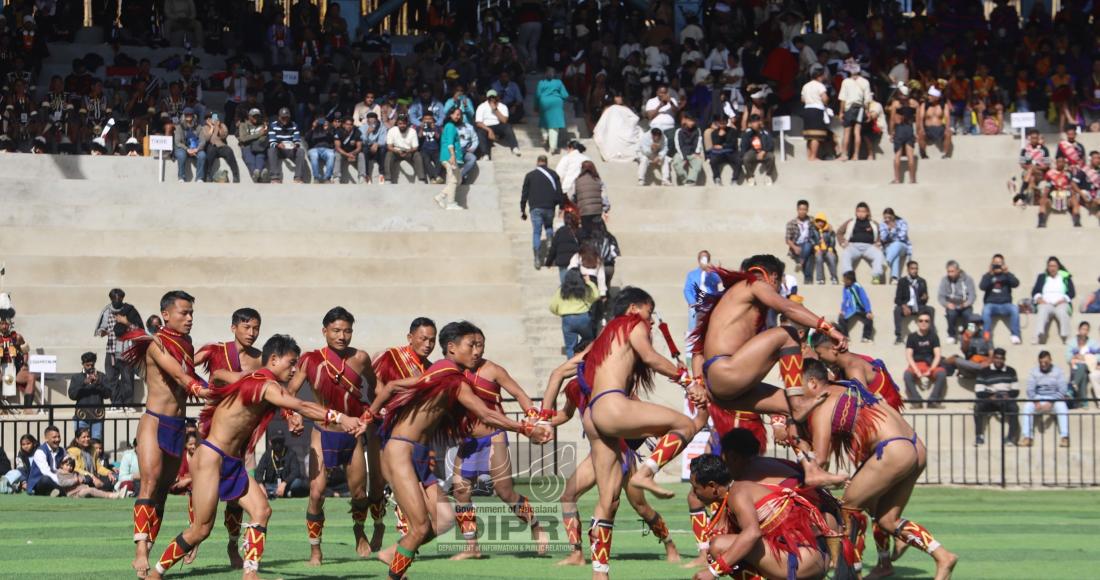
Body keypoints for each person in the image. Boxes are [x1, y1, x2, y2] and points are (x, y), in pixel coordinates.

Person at [147, 335, 366, 579]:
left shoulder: (255, 379)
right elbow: (301, 406)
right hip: (211, 457)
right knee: (201, 530)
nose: (295, 369)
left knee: (262, 511)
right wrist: (341, 418)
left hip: (229, 461)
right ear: (273, 359)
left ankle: (250, 573)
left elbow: (218, 373)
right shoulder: (266, 384)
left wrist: (217, 385)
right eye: (291, 362)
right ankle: (156, 572)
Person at [371, 321, 551, 579]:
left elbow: (392, 387)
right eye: (471, 345)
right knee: (427, 521)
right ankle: (401, 573)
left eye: (479, 345)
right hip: (404, 451)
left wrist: (368, 415)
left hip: (437, 449)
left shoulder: (445, 371)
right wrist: (524, 428)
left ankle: (395, 553)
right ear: (452, 348)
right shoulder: (453, 378)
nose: (476, 351)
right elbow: (485, 413)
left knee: (446, 519)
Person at [535, 287, 694, 576]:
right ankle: (647, 474)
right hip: (613, 416)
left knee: (617, 503)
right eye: (649, 311)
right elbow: (650, 359)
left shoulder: (601, 348)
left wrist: (542, 421)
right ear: (634, 308)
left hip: (602, 427)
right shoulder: (628, 327)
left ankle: (602, 571)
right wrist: (686, 380)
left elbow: (557, 373)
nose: (651, 320)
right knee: (685, 424)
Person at [798, 360, 958, 580]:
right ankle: (943, 556)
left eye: (798, 387)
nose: (796, 395)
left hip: (892, 450)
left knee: (848, 508)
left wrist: (800, 447)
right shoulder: (848, 386)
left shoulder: (823, 404)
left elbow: (821, 461)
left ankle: (850, 573)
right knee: (887, 520)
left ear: (813, 383)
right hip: (915, 446)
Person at [543, 350, 682, 567]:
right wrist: (540, 423)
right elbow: (565, 414)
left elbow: (636, 408)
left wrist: (653, 428)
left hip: (622, 452)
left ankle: (669, 543)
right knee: (568, 496)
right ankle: (576, 553)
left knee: (640, 506)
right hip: (597, 453)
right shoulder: (573, 387)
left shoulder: (613, 384)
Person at [688, 254, 849, 424]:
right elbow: (788, 308)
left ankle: (801, 413)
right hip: (727, 373)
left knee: (801, 407)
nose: (777, 291)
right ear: (773, 277)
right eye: (779, 286)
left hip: (718, 389)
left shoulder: (731, 300)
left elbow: (698, 351)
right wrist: (829, 329)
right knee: (788, 334)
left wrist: (698, 383)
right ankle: (798, 404)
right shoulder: (755, 284)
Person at [121, 290, 209, 578]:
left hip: (177, 425)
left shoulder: (187, 343)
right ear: (166, 314)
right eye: (184, 312)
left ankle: (150, 551)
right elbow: (181, 377)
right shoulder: (155, 343)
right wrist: (207, 391)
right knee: (148, 484)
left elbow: (190, 376)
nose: (190, 318)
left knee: (162, 493)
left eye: (192, 313)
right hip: (155, 422)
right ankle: (140, 552)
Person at [285, 307, 376, 565]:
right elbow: (289, 392)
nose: (342, 336)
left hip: (352, 434)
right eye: (336, 331)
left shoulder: (360, 358)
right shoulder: (310, 360)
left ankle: (359, 530)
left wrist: (370, 416)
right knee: (316, 493)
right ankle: (315, 550)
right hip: (322, 432)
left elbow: (377, 389)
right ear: (324, 331)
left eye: (347, 331)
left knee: (359, 494)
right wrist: (293, 415)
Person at [687, 453, 832, 580]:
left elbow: (752, 533)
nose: (694, 493)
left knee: (719, 546)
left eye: (696, 487)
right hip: (807, 558)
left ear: (712, 486)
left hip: (806, 558)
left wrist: (713, 571)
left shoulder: (737, 494)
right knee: (722, 544)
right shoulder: (734, 493)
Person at [810, 333, 905, 411]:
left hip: (885, 421)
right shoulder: (851, 361)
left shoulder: (854, 369)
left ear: (833, 349)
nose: (819, 358)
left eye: (819, 354)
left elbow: (864, 408)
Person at [95, 288, 138, 407]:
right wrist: (102, 331)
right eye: (114, 298)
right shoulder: (107, 311)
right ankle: (116, 404)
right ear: (111, 298)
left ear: (123, 298)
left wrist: (126, 322)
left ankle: (128, 405)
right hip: (111, 350)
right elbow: (102, 328)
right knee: (111, 379)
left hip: (126, 350)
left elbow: (138, 329)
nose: (117, 300)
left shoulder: (129, 310)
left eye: (119, 298)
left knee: (127, 378)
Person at [520, 155, 564, 270]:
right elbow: (559, 191)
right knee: (549, 226)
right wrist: (561, 206)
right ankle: (549, 242)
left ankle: (537, 259)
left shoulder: (530, 175)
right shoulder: (553, 174)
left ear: (537, 162)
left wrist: (522, 209)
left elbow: (524, 193)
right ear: (546, 162)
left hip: (535, 208)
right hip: (549, 207)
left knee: (537, 232)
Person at [1020, 351, 1070, 448]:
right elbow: (1030, 390)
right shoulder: (1034, 371)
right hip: (1039, 397)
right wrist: (1036, 402)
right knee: (1027, 407)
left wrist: (1051, 402)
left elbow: (1063, 389)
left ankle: (1065, 437)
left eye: (1045, 362)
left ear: (1050, 360)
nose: (1043, 365)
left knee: (1062, 407)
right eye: (1041, 362)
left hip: (1054, 398)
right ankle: (1027, 437)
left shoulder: (1058, 371)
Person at [974, 348, 1020, 446]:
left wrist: (1007, 395)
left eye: (1001, 358)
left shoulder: (1011, 371)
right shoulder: (984, 371)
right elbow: (979, 391)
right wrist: (991, 396)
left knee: (1014, 408)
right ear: (993, 358)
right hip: (990, 400)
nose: (999, 360)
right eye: (996, 358)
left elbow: (1016, 391)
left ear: (1004, 359)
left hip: (1005, 400)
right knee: (978, 407)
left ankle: (1011, 438)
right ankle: (979, 436)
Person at [551, 269, 599, 358]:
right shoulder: (585, 289)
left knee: (570, 347)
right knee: (589, 340)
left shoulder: (561, 291)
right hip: (584, 318)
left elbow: (552, 307)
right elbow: (596, 295)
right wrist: (589, 282)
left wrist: (561, 313)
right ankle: (586, 358)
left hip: (567, 319)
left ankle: (572, 364)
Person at [903, 313, 947, 408]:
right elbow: (909, 356)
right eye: (921, 320)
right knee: (907, 375)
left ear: (930, 323)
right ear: (917, 323)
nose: (923, 323)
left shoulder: (934, 336)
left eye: (926, 321)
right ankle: (917, 401)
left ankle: (933, 400)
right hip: (917, 364)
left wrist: (931, 370)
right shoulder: (912, 337)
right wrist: (916, 370)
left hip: (930, 364)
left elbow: (937, 355)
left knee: (942, 373)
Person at [837, 202, 886, 283]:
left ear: (867, 212)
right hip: (853, 246)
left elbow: (882, 233)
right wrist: (842, 242)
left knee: (879, 254)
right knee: (846, 254)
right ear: (856, 212)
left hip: (869, 247)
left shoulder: (873, 223)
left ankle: (876, 276)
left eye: (863, 211)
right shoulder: (851, 222)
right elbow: (839, 232)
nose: (861, 213)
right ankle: (847, 276)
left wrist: (878, 242)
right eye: (859, 211)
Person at [1031, 256, 1075, 345]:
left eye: (1054, 266)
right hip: (1046, 303)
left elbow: (1072, 292)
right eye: (1050, 266)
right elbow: (1035, 291)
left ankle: (1066, 336)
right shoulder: (1042, 277)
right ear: (1047, 267)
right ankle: (1037, 336)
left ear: (1058, 267)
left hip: (1061, 303)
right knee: (1042, 311)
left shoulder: (1065, 277)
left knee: (1062, 312)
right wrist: (1039, 298)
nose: (1052, 268)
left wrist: (1064, 299)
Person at [979, 254, 1022, 344]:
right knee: (985, 310)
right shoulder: (987, 276)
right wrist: (990, 274)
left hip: (1005, 304)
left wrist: (1007, 273)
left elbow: (1016, 284)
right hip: (991, 304)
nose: (997, 265)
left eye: (999, 263)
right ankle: (986, 335)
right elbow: (982, 287)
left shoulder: (1007, 275)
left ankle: (1015, 335)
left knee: (1014, 309)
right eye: (995, 263)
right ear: (991, 264)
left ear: (1003, 264)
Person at [68, 352, 109, 441]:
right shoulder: (76, 377)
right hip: (81, 416)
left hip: (97, 417)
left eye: (92, 365)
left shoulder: (101, 376)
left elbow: (108, 394)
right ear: (83, 364)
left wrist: (98, 384)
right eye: (87, 365)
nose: (90, 367)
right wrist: (84, 383)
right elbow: (72, 395)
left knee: (96, 442)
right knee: (81, 442)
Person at [255, 433, 308, 498]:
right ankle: (285, 493)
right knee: (256, 485)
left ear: (284, 442)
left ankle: (274, 493)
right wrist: (261, 487)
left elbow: (296, 472)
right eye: (275, 442)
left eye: (280, 442)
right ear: (270, 443)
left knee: (297, 483)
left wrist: (284, 483)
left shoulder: (290, 453)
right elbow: (259, 472)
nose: (278, 444)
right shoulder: (267, 454)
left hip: (287, 485)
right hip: (271, 485)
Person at [894, 261, 934, 345]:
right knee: (897, 310)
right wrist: (904, 306)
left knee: (930, 309)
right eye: (912, 268)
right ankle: (898, 336)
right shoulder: (902, 281)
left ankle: (931, 335)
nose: (915, 271)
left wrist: (925, 298)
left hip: (918, 306)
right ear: (908, 270)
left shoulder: (922, 281)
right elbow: (897, 299)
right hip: (907, 306)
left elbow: (924, 300)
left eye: (916, 269)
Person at [938, 260, 977, 344]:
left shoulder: (968, 279)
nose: (950, 274)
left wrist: (967, 303)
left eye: (952, 271)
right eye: (948, 271)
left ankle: (969, 334)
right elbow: (941, 296)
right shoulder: (944, 280)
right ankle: (951, 334)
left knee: (970, 317)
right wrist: (947, 304)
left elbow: (972, 295)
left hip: (965, 304)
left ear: (958, 270)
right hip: (951, 304)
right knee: (951, 314)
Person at [683, 251, 722, 333]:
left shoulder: (713, 274)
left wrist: (710, 272)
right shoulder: (692, 274)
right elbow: (687, 289)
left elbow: (718, 280)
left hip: (710, 303)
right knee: (694, 327)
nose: (704, 260)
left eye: (705, 258)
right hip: (697, 303)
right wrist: (692, 302)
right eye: (702, 258)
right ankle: (692, 338)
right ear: (699, 260)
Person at [839, 63, 872, 161]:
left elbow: (843, 99)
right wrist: (867, 111)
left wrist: (841, 112)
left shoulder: (846, 82)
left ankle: (844, 154)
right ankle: (856, 155)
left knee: (847, 132)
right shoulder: (865, 82)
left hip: (849, 108)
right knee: (857, 132)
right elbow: (867, 99)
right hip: (860, 108)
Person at [67, 427, 116, 491]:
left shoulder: (92, 449)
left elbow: (98, 467)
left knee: (111, 478)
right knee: (88, 480)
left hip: (94, 477)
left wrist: (108, 472)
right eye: (84, 437)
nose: (87, 439)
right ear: (77, 439)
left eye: (88, 437)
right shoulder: (72, 451)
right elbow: (76, 469)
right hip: (82, 478)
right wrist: (92, 477)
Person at [474, 89, 520, 158]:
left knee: (508, 126)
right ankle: (485, 154)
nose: (492, 99)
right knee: (480, 132)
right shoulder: (481, 107)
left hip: (498, 125)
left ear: (497, 97)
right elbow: (478, 123)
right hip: (486, 126)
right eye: (490, 97)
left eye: (493, 97)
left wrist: (495, 110)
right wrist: (489, 130)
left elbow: (504, 120)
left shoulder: (502, 106)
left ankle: (514, 147)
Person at [434, 107, 464, 210]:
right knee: (453, 180)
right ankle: (451, 203)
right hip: (449, 157)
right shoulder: (450, 126)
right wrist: (452, 155)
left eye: (459, 115)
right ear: (450, 115)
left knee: (458, 180)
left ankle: (440, 196)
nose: (458, 116)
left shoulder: (449, 126)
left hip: (449, 156)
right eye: (456, 114)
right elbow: (450, 142)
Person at [267, 107, 307, 184]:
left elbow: (297, 140)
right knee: (271, 150)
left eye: (287, 117)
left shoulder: (294, 125)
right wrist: (278, 145)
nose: (285, 119)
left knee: (301, 151)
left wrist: (295, 145)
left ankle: (298, 178)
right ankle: (275, 178)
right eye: (283, 118)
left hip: (290, 150)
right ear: (279, 117)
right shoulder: (273, 125)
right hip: (279, 150)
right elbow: (271, 142)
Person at [889, 86, 919, 184]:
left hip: (899, 129)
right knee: (910, 155)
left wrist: (891, 132)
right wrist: (917, 133)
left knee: (897, 154)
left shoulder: (896, 104)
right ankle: (912, 179)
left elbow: (892, 120)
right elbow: (918, 120)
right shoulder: (914, 103)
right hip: (909, 128)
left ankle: (897, 179)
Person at [384, 114, 426, 183]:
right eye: (400, 123)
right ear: (397, 123)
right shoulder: (392, 130)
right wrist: (397, 151)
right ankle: (388, 179)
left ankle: (421, 179)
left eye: (404, 123)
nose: (402, 125)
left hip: (409, 152)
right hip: (396, 152)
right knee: (389, 154)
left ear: (407, 123)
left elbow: (415, 147)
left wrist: (408, 151)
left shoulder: (412, 131)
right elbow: (389, 146)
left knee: (417, 155)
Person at [800, 65, 831, 161]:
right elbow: (825, 98)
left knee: (809, 135)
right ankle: (813, 156)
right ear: (819, 76)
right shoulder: (820, 85)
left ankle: (809, 156)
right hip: (816, 110)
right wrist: (826, 102)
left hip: (807, 109)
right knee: (816, 135)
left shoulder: (805, 86)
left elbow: (802, 99)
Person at [536, 68, 569, 153]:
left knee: (543, 121)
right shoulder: (559, 82)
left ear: (545, 74)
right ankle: (553, 147)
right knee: (554, 125)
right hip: (556, 103)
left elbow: (537, 96)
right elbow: (565, 95)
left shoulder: (541, 83)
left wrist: (536, 106)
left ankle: (545, 135)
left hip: (544, 102)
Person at [545, 209, 583, 282]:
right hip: (576, 262)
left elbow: (553, 248)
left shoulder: (560, 231)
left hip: (563, 262)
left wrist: (548, 262)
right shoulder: (579, 231)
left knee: (565, 284)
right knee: (577, 284)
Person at [1067, 322, 1100, 406]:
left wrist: (1086, 357)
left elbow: (1099, 355)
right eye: (1083, 329)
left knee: (1083, 366)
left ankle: (1072, 387)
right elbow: (1068, 357)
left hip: (1089, 366)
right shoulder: (1072, 343)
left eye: (1086, 330)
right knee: (1083, 372)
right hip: (1076, 366)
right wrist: (1076, 357)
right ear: (1079, 330)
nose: (1084, 331)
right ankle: (1084, 399)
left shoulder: (1093, 343)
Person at [739, 114, 777, 185]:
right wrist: (749, 132)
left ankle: (768, 175)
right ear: (750, 124)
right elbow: (743, 146)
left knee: (771, 157)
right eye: (753, 122)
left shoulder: (765, 131)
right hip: (753, 151)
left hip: (764, 151)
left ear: (760, 122)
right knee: (746, 158)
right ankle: (750, 176)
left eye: (756, 121)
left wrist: (764, 151)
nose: (755, 124)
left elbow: (771, 144)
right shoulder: (747, 132)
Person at [201, 112, 239, 183]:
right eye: (208, 118)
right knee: (210, 152)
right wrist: (211, 127)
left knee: (229, 151)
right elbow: (206, 139)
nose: (210, 119)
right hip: (211, 146)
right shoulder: (204, 128)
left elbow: (224, 135)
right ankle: (208, 175)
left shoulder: (222, 125)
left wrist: (218, 127)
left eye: (211, 117)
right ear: (206, 120)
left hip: (222, 146)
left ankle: (235, 175)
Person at [838, 271, 874, 343]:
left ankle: (866, 337)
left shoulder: (858, 286)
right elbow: (845, 300)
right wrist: (843, 310)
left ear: (850, 280)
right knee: (841, 318)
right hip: (851, 309)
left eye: (845, 279)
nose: (843, 281)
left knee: (869, 319)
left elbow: (864, 298)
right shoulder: (845, 288)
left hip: (861, 308)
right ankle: (845, 336)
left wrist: (868, 311)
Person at [172, 108, 207, 182]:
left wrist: (197, 149)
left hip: (195, 148)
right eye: (187, 115)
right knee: (181, 155)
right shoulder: (179, 127)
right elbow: (177, 142)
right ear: (184, 116)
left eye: (190, 114)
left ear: (193, 116)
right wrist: (187, 149)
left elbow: (203, 141)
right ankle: (181, 177)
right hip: (182, 148)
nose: (188, 116)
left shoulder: (198, 127)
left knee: (202, 155)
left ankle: (199, 178)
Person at [703, 114, 739, 184]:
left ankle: (734, 179)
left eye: (724, 122)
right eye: (720, 123)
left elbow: (733, 144)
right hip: (719, 154)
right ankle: (717, 178)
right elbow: (715, 145)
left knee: (739, 160)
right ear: (717, 123)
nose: (722, 124)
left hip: (730, 153)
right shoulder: (714, 133)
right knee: (713, 161)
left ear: (727, 122)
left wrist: (723, 146)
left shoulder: (732, 131)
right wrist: (720, 136)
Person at [784, 200, 814, 285]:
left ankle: (800, 262)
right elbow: (787, 239)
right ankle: (808, 279)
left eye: (804, 209)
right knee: (808, 256)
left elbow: (821, 225)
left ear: (807, 210)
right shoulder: (791, 223)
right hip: (797, 245)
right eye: (800, 209)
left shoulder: (812, 220)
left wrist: (829, 227)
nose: (802, 211)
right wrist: (794, 247)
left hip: (809, 244)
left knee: (808, 245)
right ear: (797, 210)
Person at [573, 161, 609, 231]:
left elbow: (571, 195)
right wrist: (605, 209)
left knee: (586, 230)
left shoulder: (577, 181)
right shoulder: (598, 180)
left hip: (583, 211)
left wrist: (576, 204)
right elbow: (604, 197)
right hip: (596, 211)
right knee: (596, 231)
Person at [879, 208, 911, 284]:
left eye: (889, 217)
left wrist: (894, 229)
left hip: (902, 246)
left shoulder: (902, 222)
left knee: (896, 244)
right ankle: (895, 278)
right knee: (896, 255)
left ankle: (886, 262)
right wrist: (890, 231)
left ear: (893, 216)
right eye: (885, 218)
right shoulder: (882, 224)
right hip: (888, 247)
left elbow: (902, 237)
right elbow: (883, 238)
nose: (887, 220)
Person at [236, 108, 269, 182]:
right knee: (249, 159)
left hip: (259, 146)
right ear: (249, 116)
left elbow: (263, 138)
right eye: (254, 116)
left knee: (260, 156)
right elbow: (243, 138)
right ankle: (257, 173)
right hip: (247, 146)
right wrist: (259, 134)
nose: (256, 118)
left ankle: (258, 172)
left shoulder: (263, 125)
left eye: (258, 116)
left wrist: (253, 138)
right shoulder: (243, 125)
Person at [920, 87, 953, 159]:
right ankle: (923, 154)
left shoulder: (943, 105)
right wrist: (922, 129)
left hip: (940, 128)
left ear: (936, 97)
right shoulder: (924, 105)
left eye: (930, 96)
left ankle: (945, 154)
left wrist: (947, 128)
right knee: (920, 133)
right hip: (928, 128)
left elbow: (947, 118)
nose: (929, 97)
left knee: (949, 133)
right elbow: (921, 118)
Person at [672, 112, 705, 185]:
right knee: (676, 163)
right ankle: (685, 180)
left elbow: (698, 142)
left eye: (693, 121)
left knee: (698, 162)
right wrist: (684, 157)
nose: (692, 123)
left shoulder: (697, 130)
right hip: (681, 153)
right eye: (690, 121)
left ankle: (691, 180)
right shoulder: (679, 131)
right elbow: (678, 146)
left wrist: (697, 152)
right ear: (685, 120)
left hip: (693, 153)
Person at [334, 115, 366, 183]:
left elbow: (359, 147)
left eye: (351, 124)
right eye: (347, 124)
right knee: (337, 155)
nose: (349, 126)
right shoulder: (338, 132)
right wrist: (347, 155)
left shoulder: (357, 131)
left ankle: (362, 176)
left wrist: (352, 154)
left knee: (361, 155)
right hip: (342, 153)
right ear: (343, 125)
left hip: (353, 153)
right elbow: (337, 148)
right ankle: (336, 177)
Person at [811, 212, 839, 285]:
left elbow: (832, 240)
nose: (820, 223)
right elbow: (810, 238)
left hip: (827, 249)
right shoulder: (813, 229)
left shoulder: (829, 230)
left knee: (832, 258)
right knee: (819, 258)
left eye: (822, 221)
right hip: (818, 249)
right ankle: (820, 279)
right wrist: (816, 246)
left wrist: (830, 248)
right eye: (818, 221)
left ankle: (834, 277)